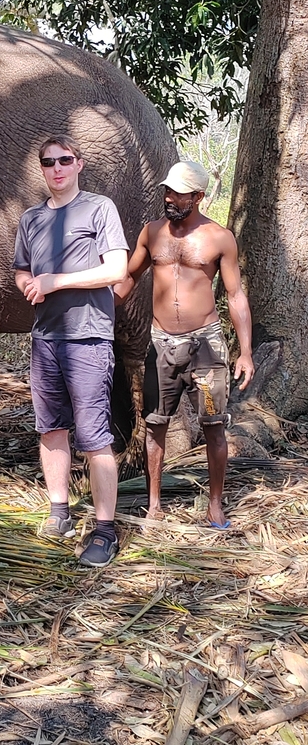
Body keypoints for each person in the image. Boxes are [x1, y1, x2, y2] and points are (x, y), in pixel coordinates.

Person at [114, 160, 254, 528]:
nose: (170, 198)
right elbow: (128, 278)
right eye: (168, 191)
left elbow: (236, 295)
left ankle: (215, 504)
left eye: (179, 193)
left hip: (205, 347)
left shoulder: (219, 238)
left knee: (213, 423)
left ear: (198, 196)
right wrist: (97, 311)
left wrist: (247, 352)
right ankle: (154, 504)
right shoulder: (152, 232)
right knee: (155, 424)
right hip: (160, 344)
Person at [13, 136, 129, 567]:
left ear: (79, 164)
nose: (57, 168)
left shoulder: (99, 208)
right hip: (46, 339)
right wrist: (27, 283)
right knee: (51, 429)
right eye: (49, 162)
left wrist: (55, 281)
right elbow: (22, 269)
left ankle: (104, 530)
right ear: (41, 169)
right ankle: (59, 511)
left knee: (95, 438)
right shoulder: (31, 218)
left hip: (88, 338)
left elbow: (116, 270)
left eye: (65, 160)